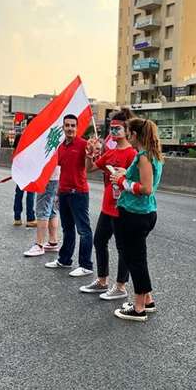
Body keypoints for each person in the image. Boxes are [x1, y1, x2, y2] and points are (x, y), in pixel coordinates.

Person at [79, 108, 137, 299]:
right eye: (111, 128)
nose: (113, 132)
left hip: (123, 207)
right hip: (107, 206)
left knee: (123, 248)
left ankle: (120, 286)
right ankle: (102, 281)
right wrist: (89, 154)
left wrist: (125, 174)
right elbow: (90, 169)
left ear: (127, 130)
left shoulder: (132, 154)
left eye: (117, 128)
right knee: (99, 241)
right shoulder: (110, 153)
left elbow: (140, 181)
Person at [109, 117, 164, 321]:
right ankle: (147, 300)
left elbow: (147, 189)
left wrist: (122, 180)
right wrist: (126, 174)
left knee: (135, 260)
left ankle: (138, 308)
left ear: (134, 134)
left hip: (135, 214)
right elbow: (141, 179)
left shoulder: (143, 156)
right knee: (137, 257)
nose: (127, 135)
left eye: (129, 132)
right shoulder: (151, 154)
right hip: (143, 214)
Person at [44, 114, 94, 277]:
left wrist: (90, 155)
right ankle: (64, 260)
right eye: (67, 125)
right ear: (63, 127)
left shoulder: (83, 144)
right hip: (64, 192)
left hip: (78, 193)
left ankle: (86, 265)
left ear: (77, 127)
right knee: (67, 229)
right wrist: (58, 193)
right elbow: (61, 171)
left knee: (84, 230)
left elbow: (89, 167)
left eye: (73, 125)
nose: (70, 128)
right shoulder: (61, 147)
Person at [23, 165, 61, 257]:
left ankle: (39, 244)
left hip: (48, 177)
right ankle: (53, 242)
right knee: (51, 210)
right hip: (56, 177)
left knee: (42, 210)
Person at [12, 132, 36, 227]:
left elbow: (14, 157)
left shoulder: (19, 137)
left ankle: (17, 218)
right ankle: (30, 219)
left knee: (18, 195)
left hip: (20, 173)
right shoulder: (33, 138)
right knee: (30, 196)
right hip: (29, 173)